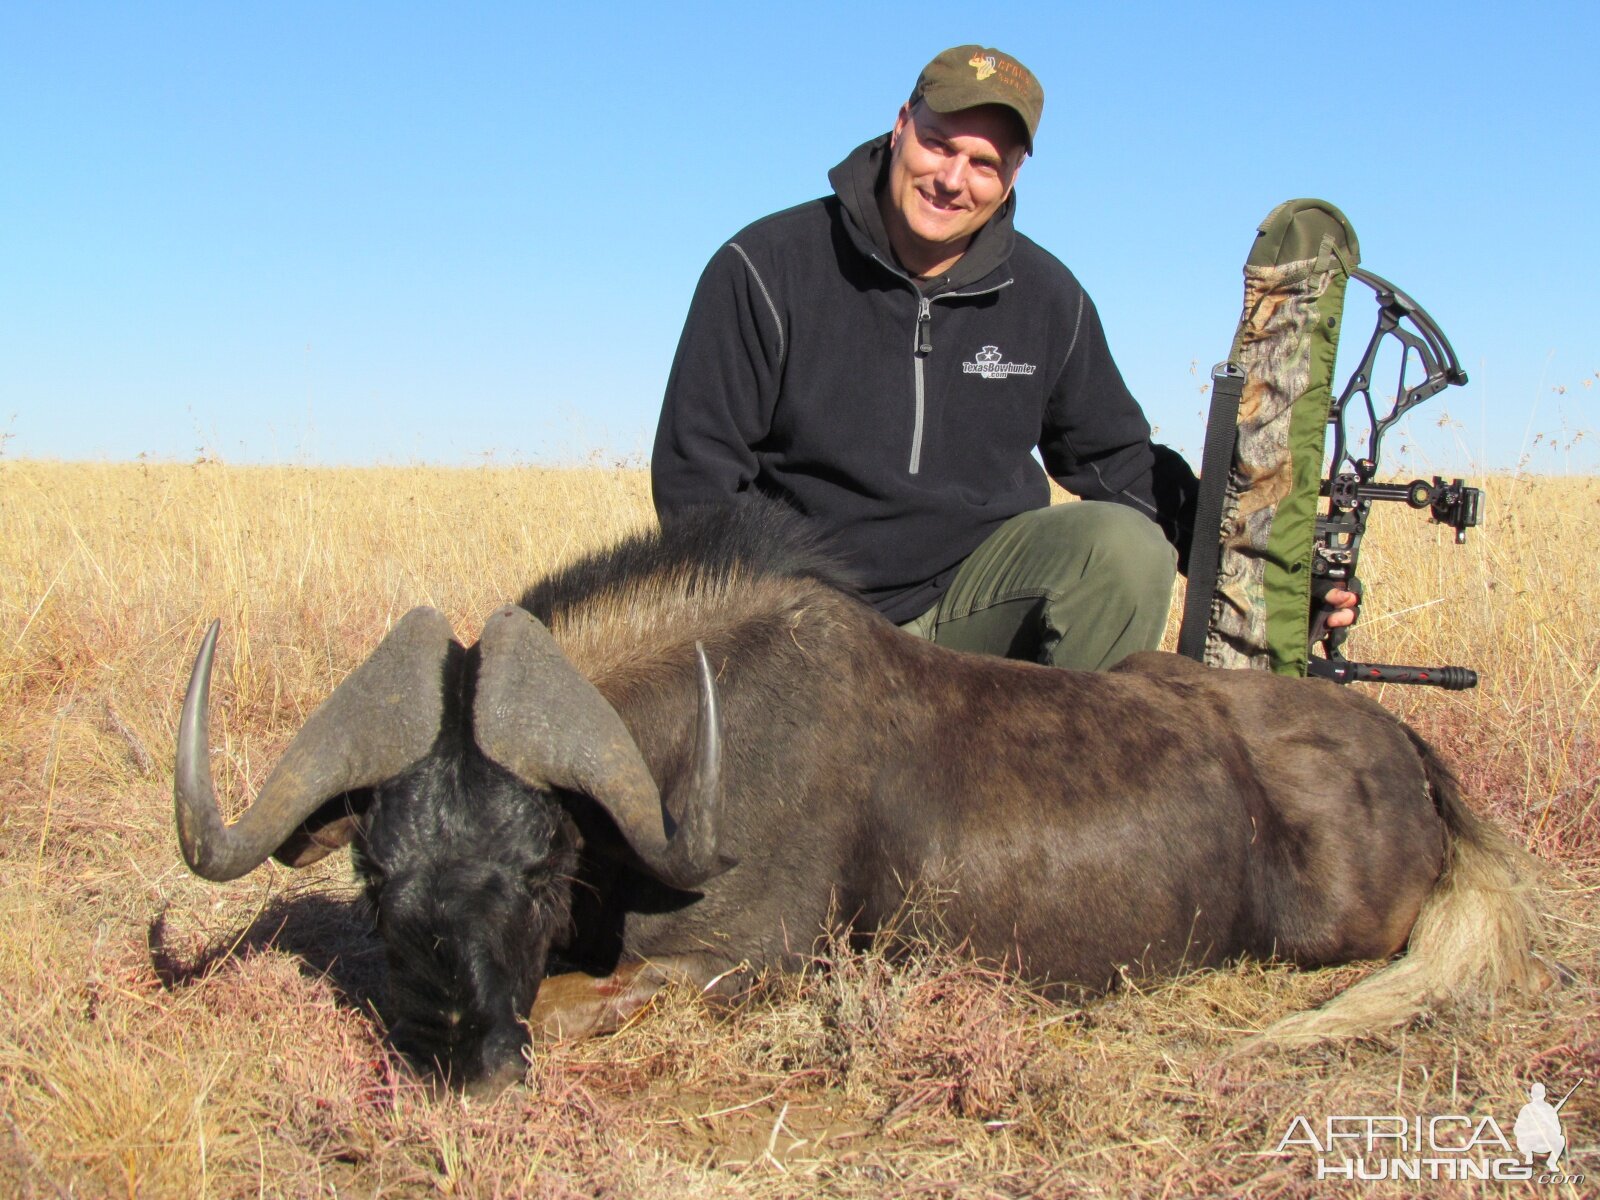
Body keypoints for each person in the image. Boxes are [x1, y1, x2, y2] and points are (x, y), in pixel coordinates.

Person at [652, 45, 1355, 670]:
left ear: (1015, 173)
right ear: (901, 125)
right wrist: (791, 623)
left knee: (1125, 548)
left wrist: (1275, 580)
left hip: (969, 611)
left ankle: (1073, 800)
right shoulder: (764, 267)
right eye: (938, 143)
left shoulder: (1049, 298)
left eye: (985, 163)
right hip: (810, 625)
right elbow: (698, 484)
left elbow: (1123, 466)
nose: (953, 179)